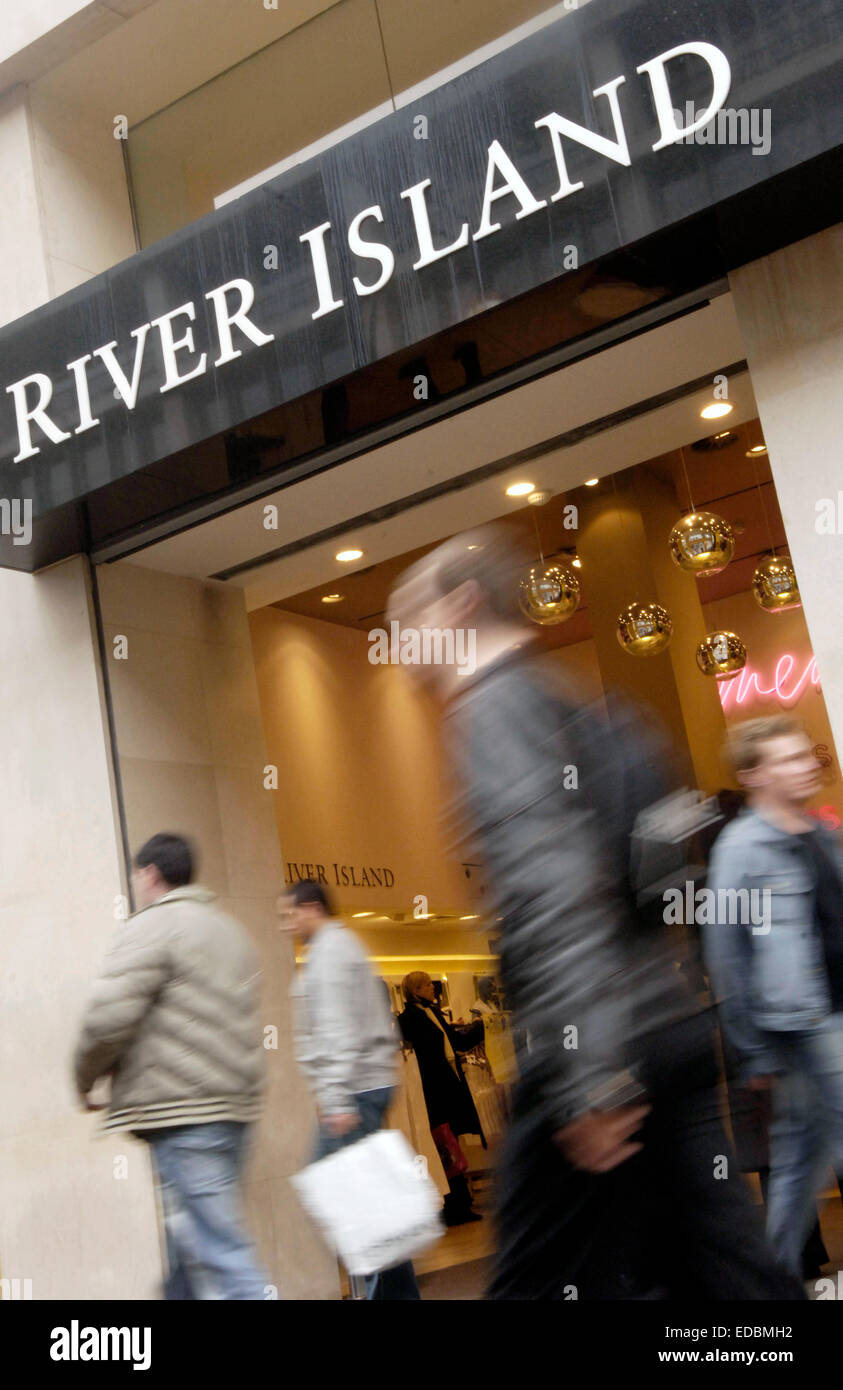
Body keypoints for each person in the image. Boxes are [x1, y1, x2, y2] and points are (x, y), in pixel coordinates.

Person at [387, 523, 803, 1300]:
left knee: (535, 1281)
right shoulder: (576, 706)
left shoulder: (496, 710)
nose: (399, 640)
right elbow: (653, 877)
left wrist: (591, 1076)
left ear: (463, 606)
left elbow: (554, 892)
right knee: (720, 1271)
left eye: (409, 618)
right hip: (664, 1023)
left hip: (593, 1045)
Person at [73, 833, 268, 1300]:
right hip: (234, 1111)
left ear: (151, 873)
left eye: (138, 875)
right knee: (192, 1251)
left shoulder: (152, 927)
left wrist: (83, 1080)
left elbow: (105, 1020)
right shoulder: (229, 931)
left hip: (183, 1114)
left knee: (221, 1252)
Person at [703, 715, 843, 1276]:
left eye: (804, 754)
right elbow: (726, 953)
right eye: (786, 759)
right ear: (754, 775)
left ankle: (770, 1283)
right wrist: (749, 1049)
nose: (805, 764)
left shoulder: (822, 834)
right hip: (806, 1023)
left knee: (798, 1159)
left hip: (833, 1013)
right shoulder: (740, 849)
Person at [280, 878, 421, 1300]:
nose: (286, 925)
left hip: (356, 1091)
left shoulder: (332, 953)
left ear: (310, 907)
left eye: (288, 915)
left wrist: (337, 1098)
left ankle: (385, 1287)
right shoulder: (338, 949)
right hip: (363, 1087)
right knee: (363, 1199)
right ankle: (397, 1290)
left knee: (339, 1192)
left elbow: (339, 1032)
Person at [399, 971, 485, 1226]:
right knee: (444, 1144)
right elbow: (420, 1057)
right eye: (427, 984)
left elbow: (455, 1041)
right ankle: (453, 1205)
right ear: (416, 990)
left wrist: (483, 1028)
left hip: (449, 1084)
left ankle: (460, 1203)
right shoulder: (409, 1019)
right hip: (434, 1089)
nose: (432, 988)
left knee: (451, 1141)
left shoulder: (433, 1013)